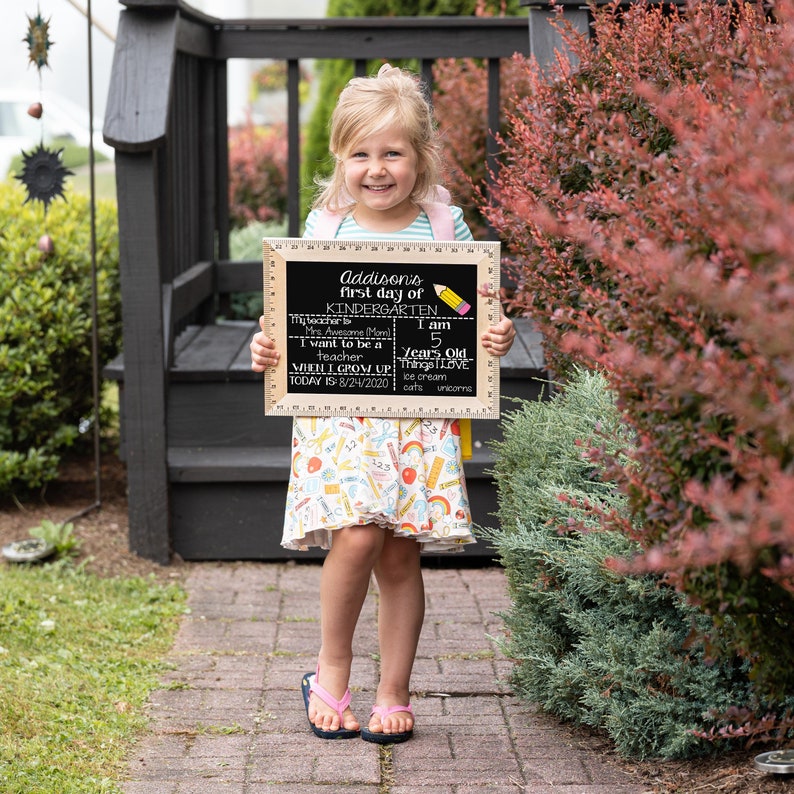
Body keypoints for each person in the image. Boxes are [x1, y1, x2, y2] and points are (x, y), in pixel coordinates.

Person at [250, 63, 516, 744]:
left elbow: (470, 306)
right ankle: (330, 669)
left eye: (392, 152)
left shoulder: (442, 225)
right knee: (358, 533)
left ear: (420, 157)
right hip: (340, 412)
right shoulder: (326, 225)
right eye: (361, 153)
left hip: (419, 415)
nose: (377, 168)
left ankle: (394, 688)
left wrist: (493, 331)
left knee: (399, 553)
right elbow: (292, 314)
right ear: (338, 158)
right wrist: (267, 348)